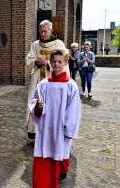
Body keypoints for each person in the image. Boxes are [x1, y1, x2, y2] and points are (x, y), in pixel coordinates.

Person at [29, 49, 81, 188]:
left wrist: (68, 131)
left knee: (60, 156)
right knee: (43, 157)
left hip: (61, 130)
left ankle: (59, 174)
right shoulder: (43, 84)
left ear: (65, 62)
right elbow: (34, 103)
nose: (56, 64)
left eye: (59, 61)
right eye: (53, 61)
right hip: (45, 129)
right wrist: (39, 107)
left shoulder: (71, 86)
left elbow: (73, 111)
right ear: (50, 62)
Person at [26, 20, 66, 142]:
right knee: (35, 103)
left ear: (51, 31)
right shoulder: (35, 45)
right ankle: (34, 131)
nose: (43, 34)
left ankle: (51, 134)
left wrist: (47, 63)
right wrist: (36, 62)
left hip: (53, 81)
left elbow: (63, 62)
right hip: (38, 79)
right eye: (41, 31)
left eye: (45, 31)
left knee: (52, 106)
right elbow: (29, 60)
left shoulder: (59, 44)